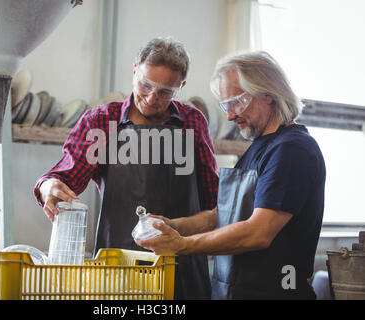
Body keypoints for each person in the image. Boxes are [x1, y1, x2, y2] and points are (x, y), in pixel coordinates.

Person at [34, 37, 219, 299]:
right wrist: (48, 185)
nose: (152, 98)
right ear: (134, 70)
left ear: (181, 86)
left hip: (181, 268)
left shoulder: (192, 122)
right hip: (117, 266)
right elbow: (66, 176)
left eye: (165, 91)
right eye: (145, 84)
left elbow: (214, 201)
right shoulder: (101, 121)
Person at [136, 51, 326, 300]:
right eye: (226, 105)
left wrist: (182, 245)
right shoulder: (260, 146)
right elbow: (224, 214)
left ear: (268, 94)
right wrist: (174, 226)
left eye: (237, 102)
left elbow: (259, 232)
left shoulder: (292, 150)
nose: (230, 115)